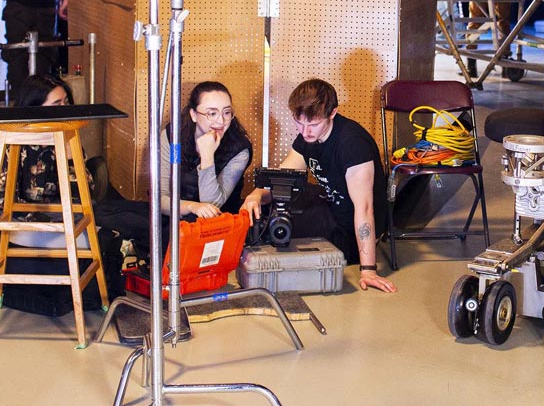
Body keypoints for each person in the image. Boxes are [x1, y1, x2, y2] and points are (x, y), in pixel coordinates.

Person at [241, 79, 396, 293]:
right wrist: (255, 196)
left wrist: (368, 269)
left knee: (274, 229)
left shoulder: (352, 144)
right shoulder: (308, 138)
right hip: (329, 205)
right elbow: (283, 180)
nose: (305, 132)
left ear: (332, 114)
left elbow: (365, 209)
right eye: (299, 123)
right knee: (259, 210)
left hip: (348, 229)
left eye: (313, 125)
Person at [0, 74, 92, 255]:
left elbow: (86, 192)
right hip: (2, 207)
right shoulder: (6, 137)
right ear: (35, 108)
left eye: (65, 103)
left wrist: (70, 161)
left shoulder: (67, 136)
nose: (64, 109)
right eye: (56, 104)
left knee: (84, 218)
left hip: (50, 208)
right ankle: (5, 256)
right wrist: (32, 219)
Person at [159, 81, 253, 218]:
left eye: (226, 112)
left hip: (218, 223)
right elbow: (160, 199)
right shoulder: (175, 139)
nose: (221, 121)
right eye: (212, 113)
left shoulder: (239, 149)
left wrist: (207, 157)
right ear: (194, 115)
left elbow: (212, 204)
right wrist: (192, 207)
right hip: (175, 216)